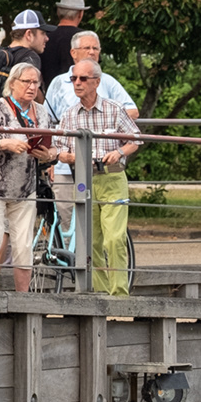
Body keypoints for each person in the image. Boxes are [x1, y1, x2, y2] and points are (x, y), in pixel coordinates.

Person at [54, 61, 141, 296]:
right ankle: (102, 294)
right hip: (83, 180)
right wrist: (72, 157)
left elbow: (135, 139)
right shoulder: (69, 115)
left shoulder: (114, 109)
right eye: (74, 79)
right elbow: (57, 150)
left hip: (112, 178)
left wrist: (119, 152)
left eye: (83, 79)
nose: (77, 83)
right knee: (90, 242)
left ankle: (120, 294)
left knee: (113, 239)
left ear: (97, 82)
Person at [0, 61, 52, 291]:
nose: (32, 87)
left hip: (25, 187)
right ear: (13, 83)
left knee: (24, 246)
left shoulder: (42, 111)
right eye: (27, 81)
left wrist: (47, 154)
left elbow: (52, 148)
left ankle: (24, 303)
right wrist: (3, 143)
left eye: (36, 82)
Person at [44, 31, 138, 229]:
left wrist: (106, 124)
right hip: (65, 166)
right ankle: (70, 259)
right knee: (67, 221)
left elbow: (132, 111)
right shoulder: (59, 83)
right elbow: (47, 122)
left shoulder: (107, 81)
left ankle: (92, 260)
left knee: (93, 225)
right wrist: (51, 159)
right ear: (73, 53)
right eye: (87, 48)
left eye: (96, 48)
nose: (92, 52)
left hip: (99, 167)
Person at [40, 0, 86, 88]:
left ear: (58, 12)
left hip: (46, 96)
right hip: (77, 94)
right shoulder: (86, 38)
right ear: (80, 14)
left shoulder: (44, 37)